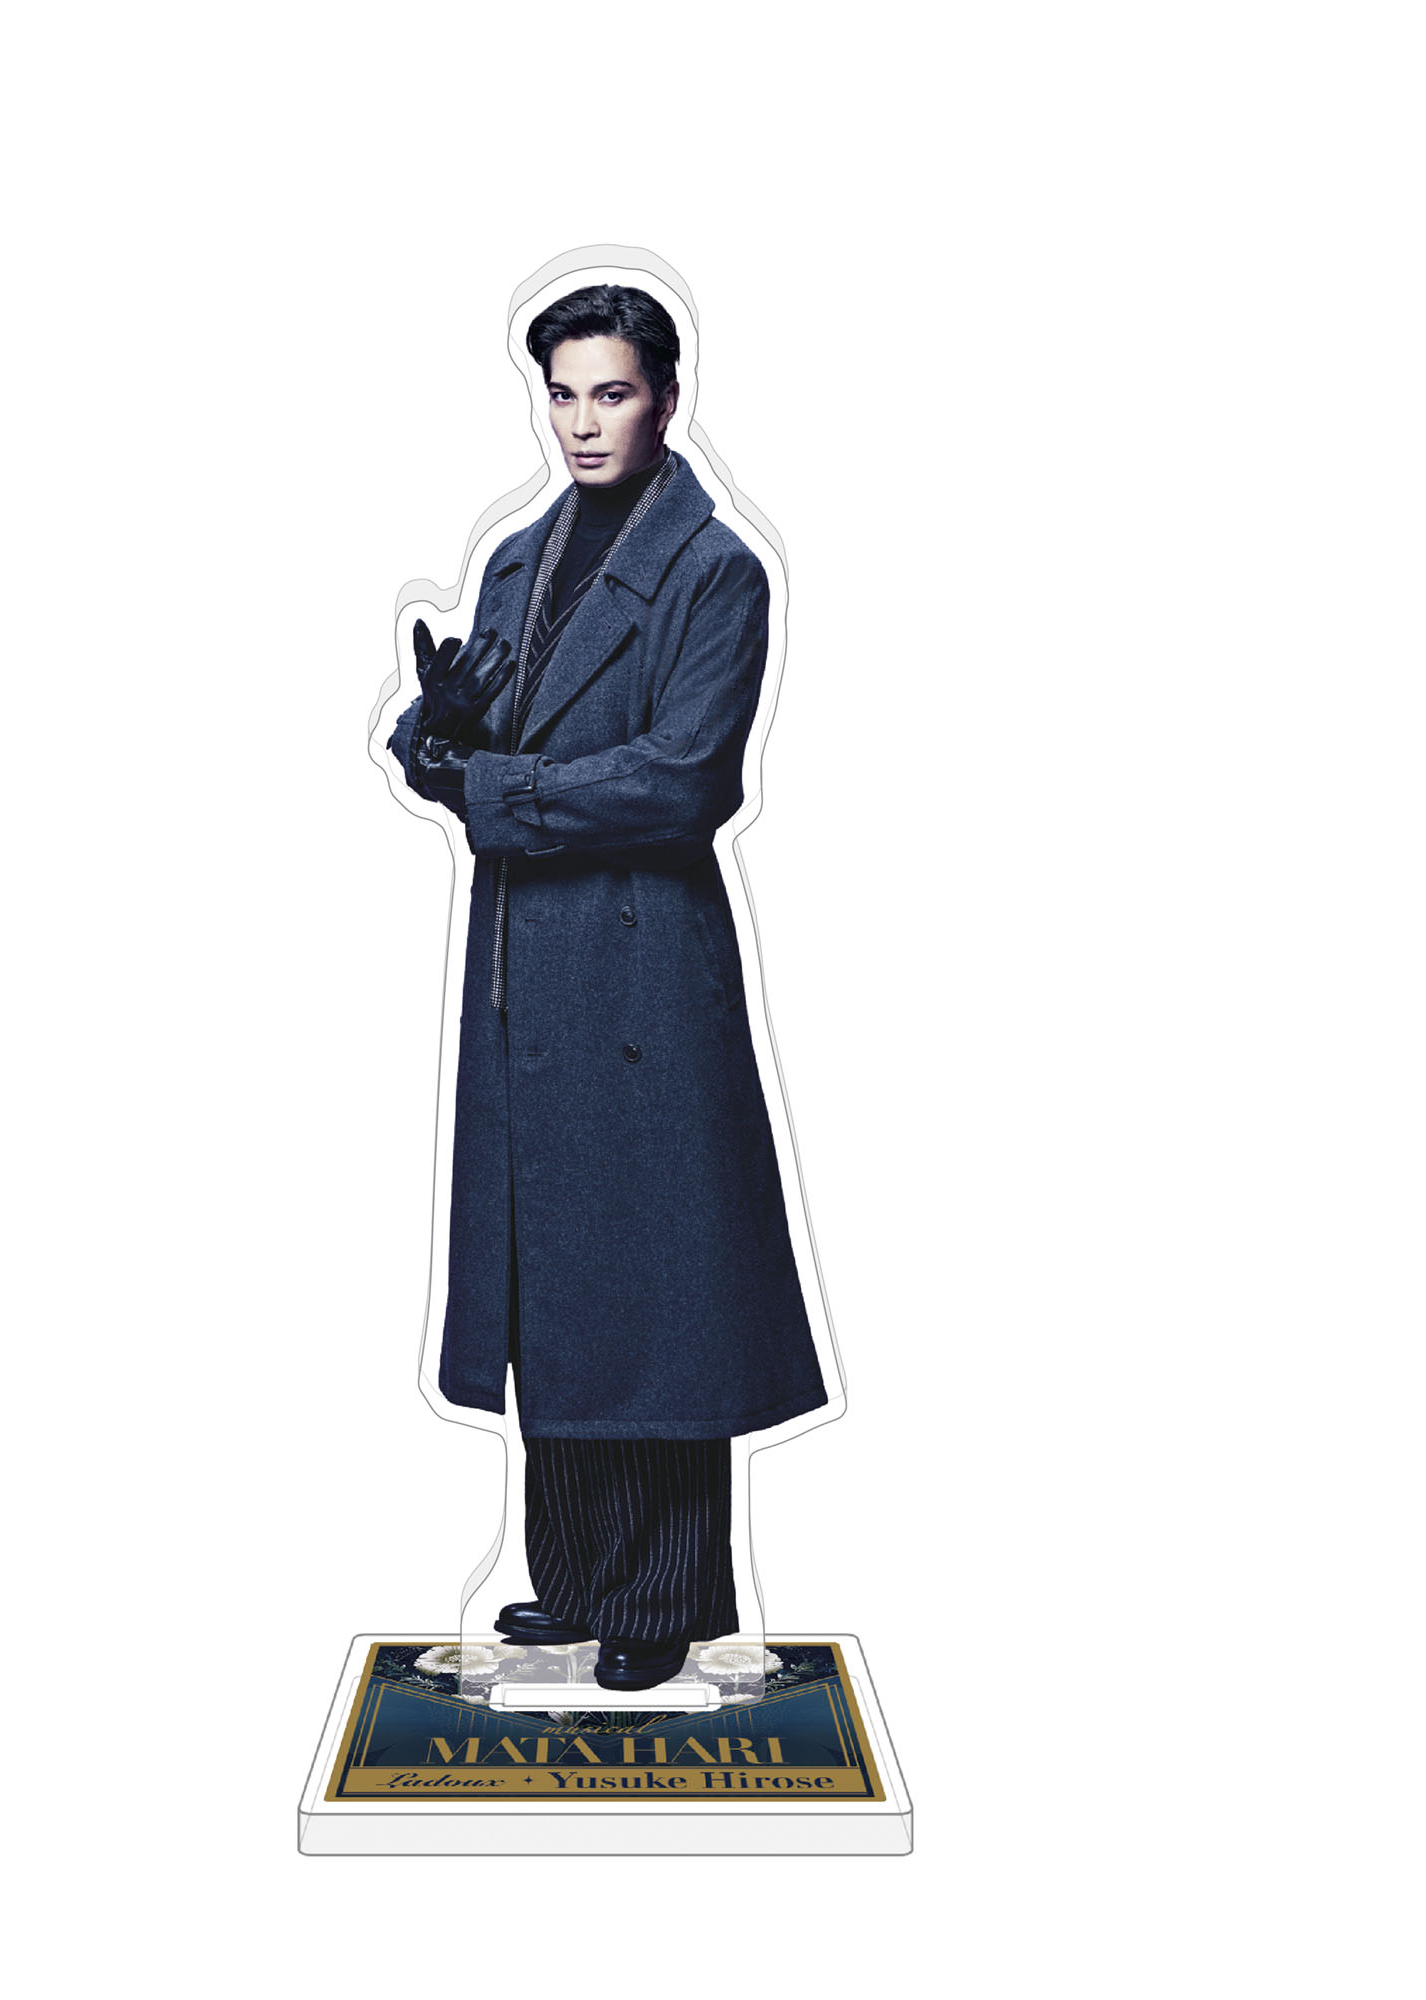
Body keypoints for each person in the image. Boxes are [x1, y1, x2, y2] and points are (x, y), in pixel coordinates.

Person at [387, 283, 829, 1691]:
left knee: (660, 1284)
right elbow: (456, 737)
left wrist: (498, 787)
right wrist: (436, 730)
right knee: (557, 1276)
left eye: (613, 393)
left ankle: (667, 1593)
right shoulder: (520, 558)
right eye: (564, 394)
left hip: (640, 968)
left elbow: (685, 779)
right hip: (530, 965)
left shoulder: (716, 571)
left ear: (667, 399)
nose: (583, 423)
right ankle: (577, 1577)